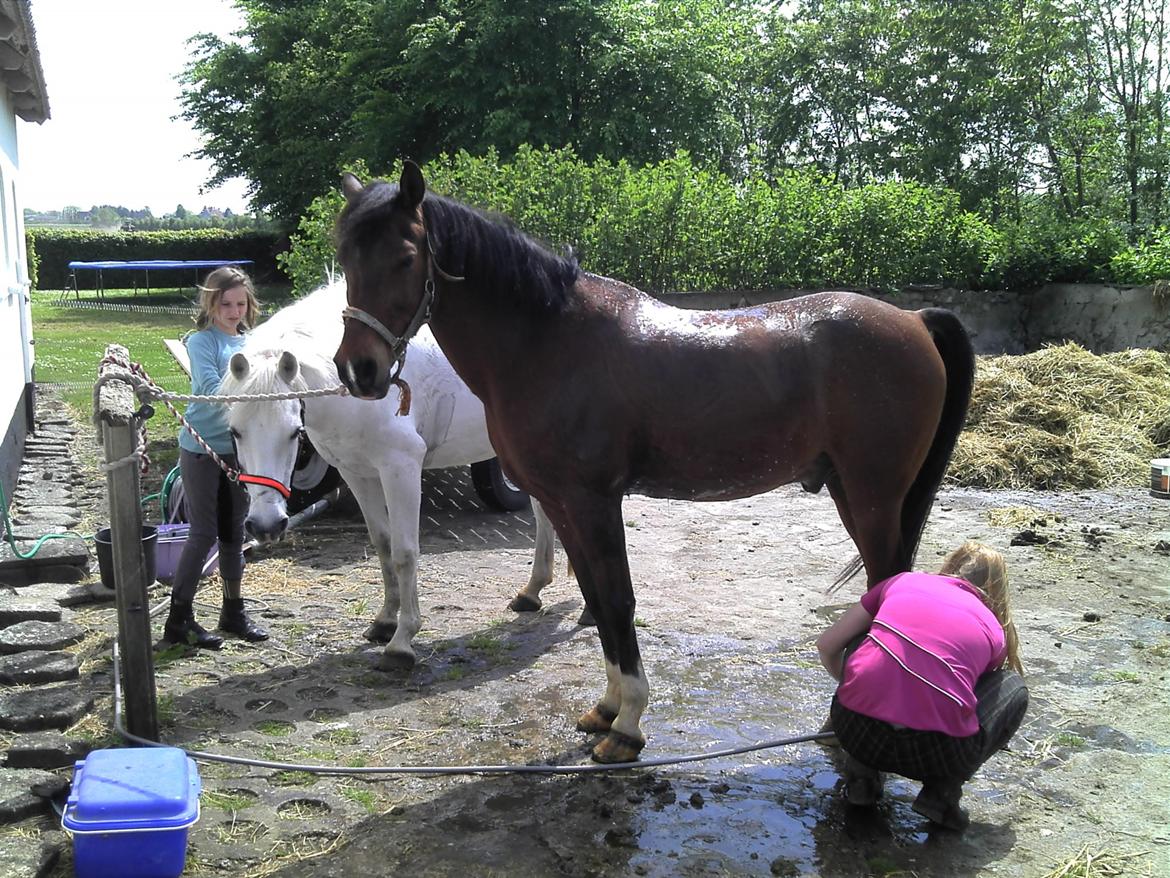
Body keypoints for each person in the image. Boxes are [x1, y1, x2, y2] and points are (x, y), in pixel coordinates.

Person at [816, 542, 1028, 830]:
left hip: (855, 732)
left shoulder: (903, 581)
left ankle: (861, 776)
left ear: (948, 567)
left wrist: (852, 691)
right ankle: (942, 792)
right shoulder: (993, 628)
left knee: (864, 636)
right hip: (939, 753)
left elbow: (827, 645)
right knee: (1012, 685)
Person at [162, 266, 268, 649]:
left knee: (234, 532)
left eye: (241, 303)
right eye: (226, 303)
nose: (234, 311)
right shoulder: (202, 342)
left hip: (238, 450)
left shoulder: (253, 340)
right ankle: (179, 619)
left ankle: (233, 611)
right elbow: (207, 386)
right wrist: (256, 384)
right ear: (212, 303)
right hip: (202, 449)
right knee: (202, 532)